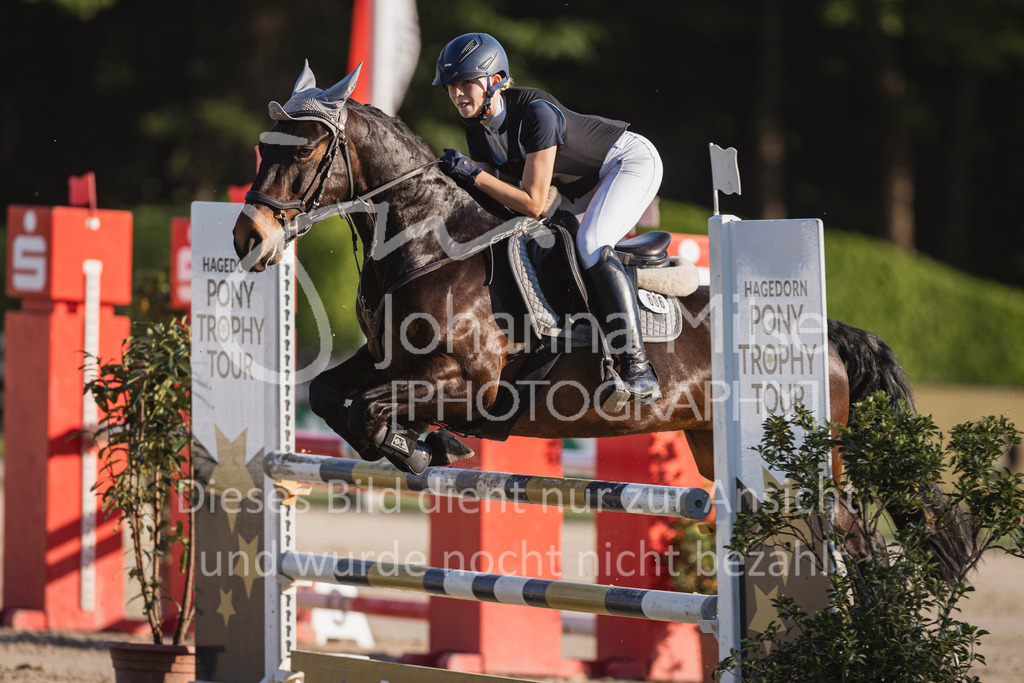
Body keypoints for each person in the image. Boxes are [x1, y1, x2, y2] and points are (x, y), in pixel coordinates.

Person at [433, 32, 664, 405]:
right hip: (584, 185)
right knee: (541, 246)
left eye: (466, 83)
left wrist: (471, 174)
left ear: (495, 80)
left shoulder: (536, 113)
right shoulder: (477, 128)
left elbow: (533, 203)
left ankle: (639, 370)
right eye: (451, 86)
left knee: (591, 244)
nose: (457, 93)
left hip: (629, 162)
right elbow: (485, 201)